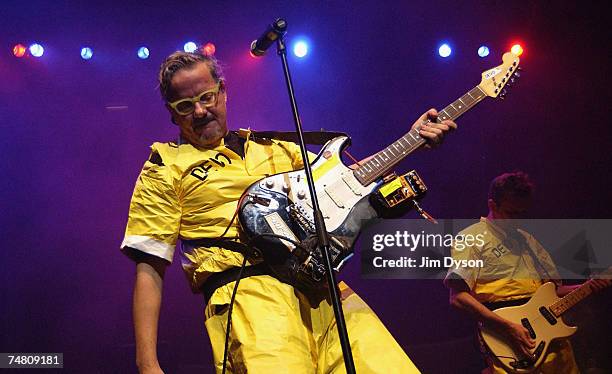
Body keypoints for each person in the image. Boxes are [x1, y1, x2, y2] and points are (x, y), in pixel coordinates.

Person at [121, 50, 457, 374]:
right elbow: (150, 266)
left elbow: (345, 177)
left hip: (324, 289)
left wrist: (411, 140)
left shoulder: (274, 147)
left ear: (222, 92)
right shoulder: (164, 166)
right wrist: (147, 364)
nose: (199, 111)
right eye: (185, 105)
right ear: (172, 113)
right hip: (249, 296)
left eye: (206, 97)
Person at [444, 171, 611, 373]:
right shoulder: (471, 239)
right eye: (511, 213)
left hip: (551, 336)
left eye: (522, 213)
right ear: (492, 205)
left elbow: (553, 290)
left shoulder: (527, 240)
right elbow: (458, 297)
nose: (517, 220)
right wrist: (508, 327)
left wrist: (588, 286)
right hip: (506, 337)